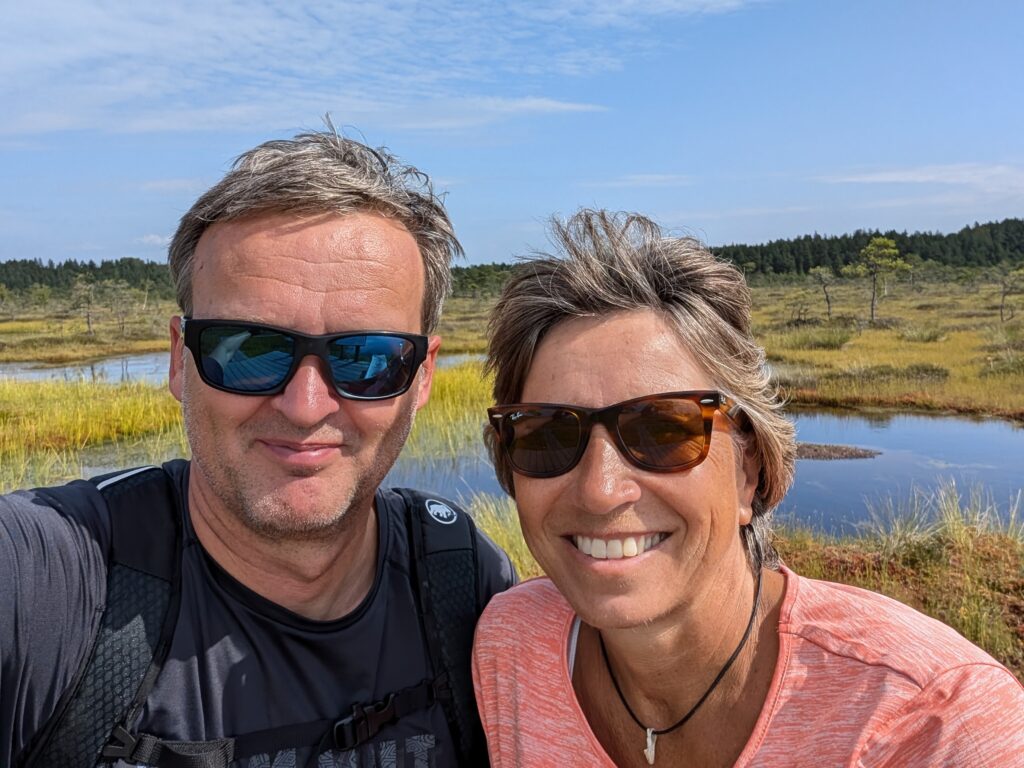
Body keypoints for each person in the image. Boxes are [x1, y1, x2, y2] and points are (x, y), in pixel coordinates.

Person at [1, 128, 515, 768]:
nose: (306, 406)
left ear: (423, 376)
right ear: (180, 360)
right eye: (248, 350)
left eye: (366, 359)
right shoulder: (51, 582)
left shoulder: (465, 582)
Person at [471, 209, 1024, 767]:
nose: (600, 490)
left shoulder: (936, 722)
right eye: (547, 435)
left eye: (662, 431)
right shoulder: (511, 645)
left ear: (749, 469)